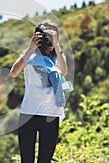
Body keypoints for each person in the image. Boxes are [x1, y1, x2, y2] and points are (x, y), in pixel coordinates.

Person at [10, 20, 68, 163]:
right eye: (44, 35)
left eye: (51, 35)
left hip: (51, 114)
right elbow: (13, 72)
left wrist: (57, 45)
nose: (48, 39)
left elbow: (64, 71)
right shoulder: (29, 55)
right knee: (27, 160)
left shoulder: (57, 57)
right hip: (29, 113)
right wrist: (31, 47)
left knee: (45, 160)